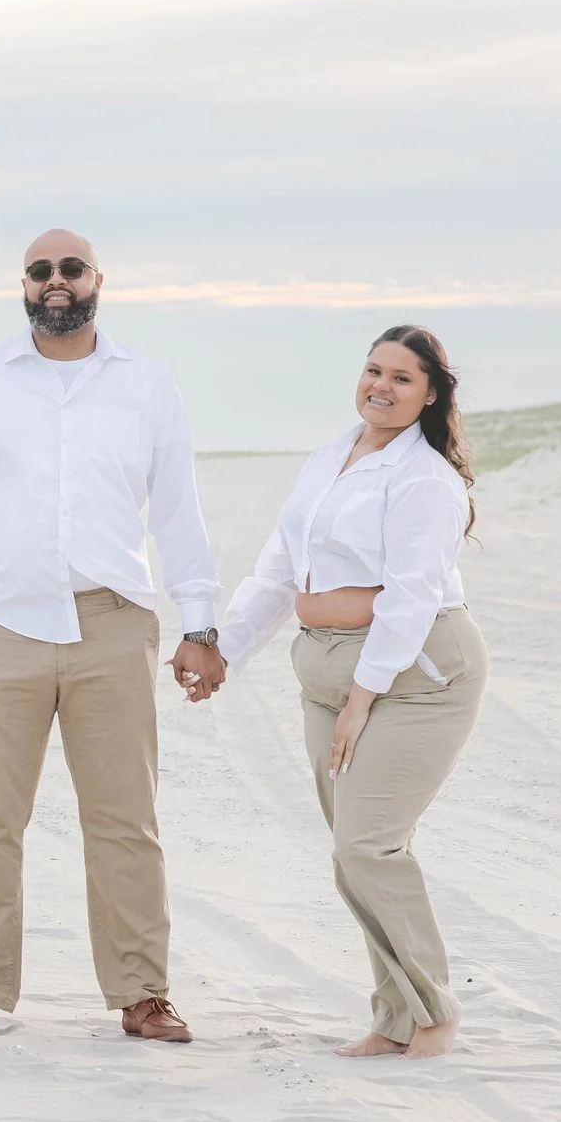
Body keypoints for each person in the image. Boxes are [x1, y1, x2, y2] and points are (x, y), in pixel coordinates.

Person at [0, 229, 226, 1043]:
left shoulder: (147, 386)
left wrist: (201, 622)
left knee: (124, 818)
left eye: (69, 268)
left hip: (111, 625)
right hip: (2, 621)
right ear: (24, 283)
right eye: (40, 269)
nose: (55, 281)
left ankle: (143, 991)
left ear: (97, 281)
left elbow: (179, 512)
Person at [212, 325, 487, 1059]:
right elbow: (280, 568)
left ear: (431, 393)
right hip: (325, 671)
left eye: (403, 377)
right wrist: (224, 651)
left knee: (369, 843)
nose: (383, 386)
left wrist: (364, 697)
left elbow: (412, 595)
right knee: (351, 849)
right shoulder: (330, 457)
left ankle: (435, 1013)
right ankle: (395, 1019)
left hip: (414, 672)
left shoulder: (425, 477)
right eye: (374, 370)